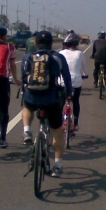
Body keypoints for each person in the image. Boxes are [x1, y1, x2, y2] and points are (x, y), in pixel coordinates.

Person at [21, 31, 73, 177]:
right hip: (51, 98)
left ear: (35, 43)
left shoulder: (27, 57)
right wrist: (69, 94)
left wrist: (25, 91)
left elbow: (24, 77)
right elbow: (67, 78)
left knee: (27, 107)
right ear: (51, 43)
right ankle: (58, 165)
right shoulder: (58, 57)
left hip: (32, 96)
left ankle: (27, 131)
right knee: (57, 130)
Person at [59, 32, 88, 132]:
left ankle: (58, 123)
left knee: (60, 102)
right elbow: (84, 67)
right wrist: (86, 74)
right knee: (75, 101)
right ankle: (75, 123)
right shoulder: (80, 54)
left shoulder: (61, 53)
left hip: (62, 82)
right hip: (76, 83)